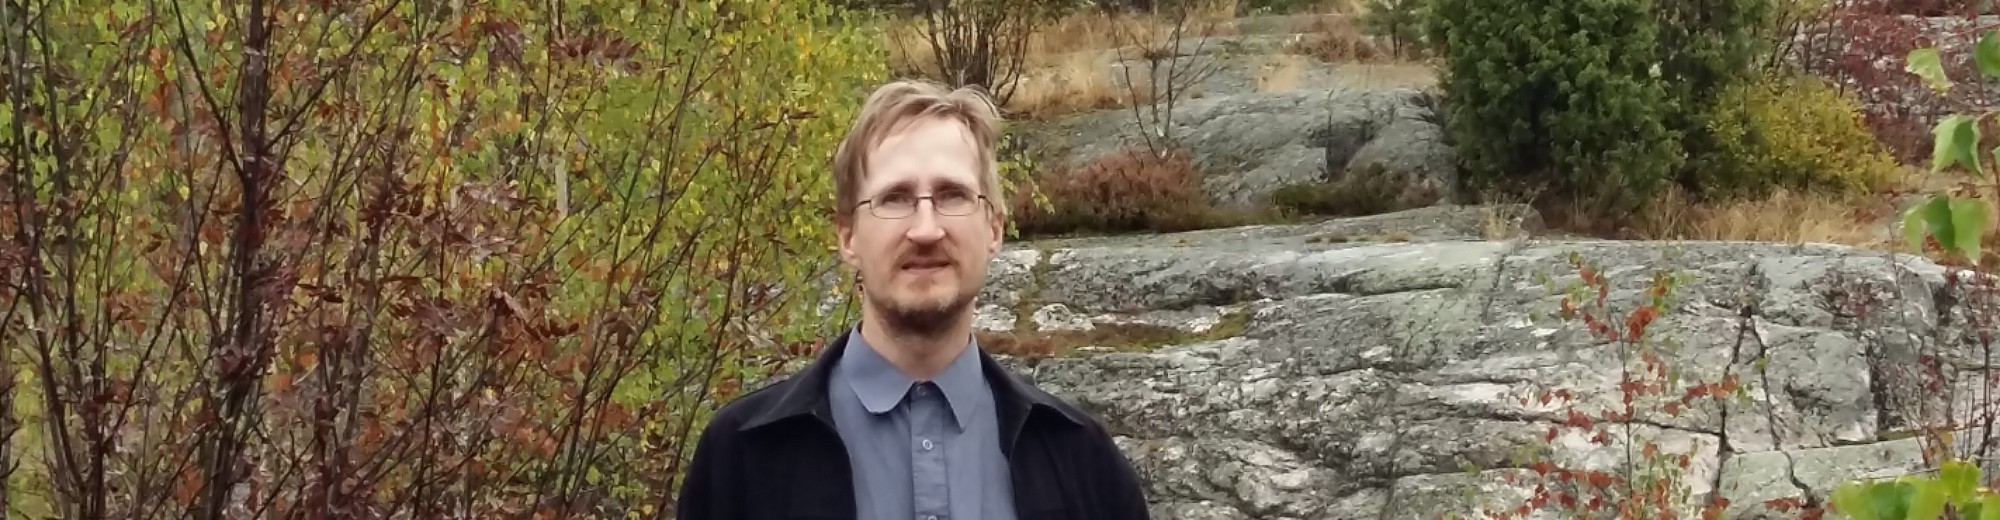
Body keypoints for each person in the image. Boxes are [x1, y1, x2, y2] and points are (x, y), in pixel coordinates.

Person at [672, 79, 1153, 520]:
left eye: (952, 194)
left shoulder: (1083, 463)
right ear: (848, 237)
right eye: (896, 198)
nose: (926, 229)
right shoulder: (741, 459)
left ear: (994, 228)